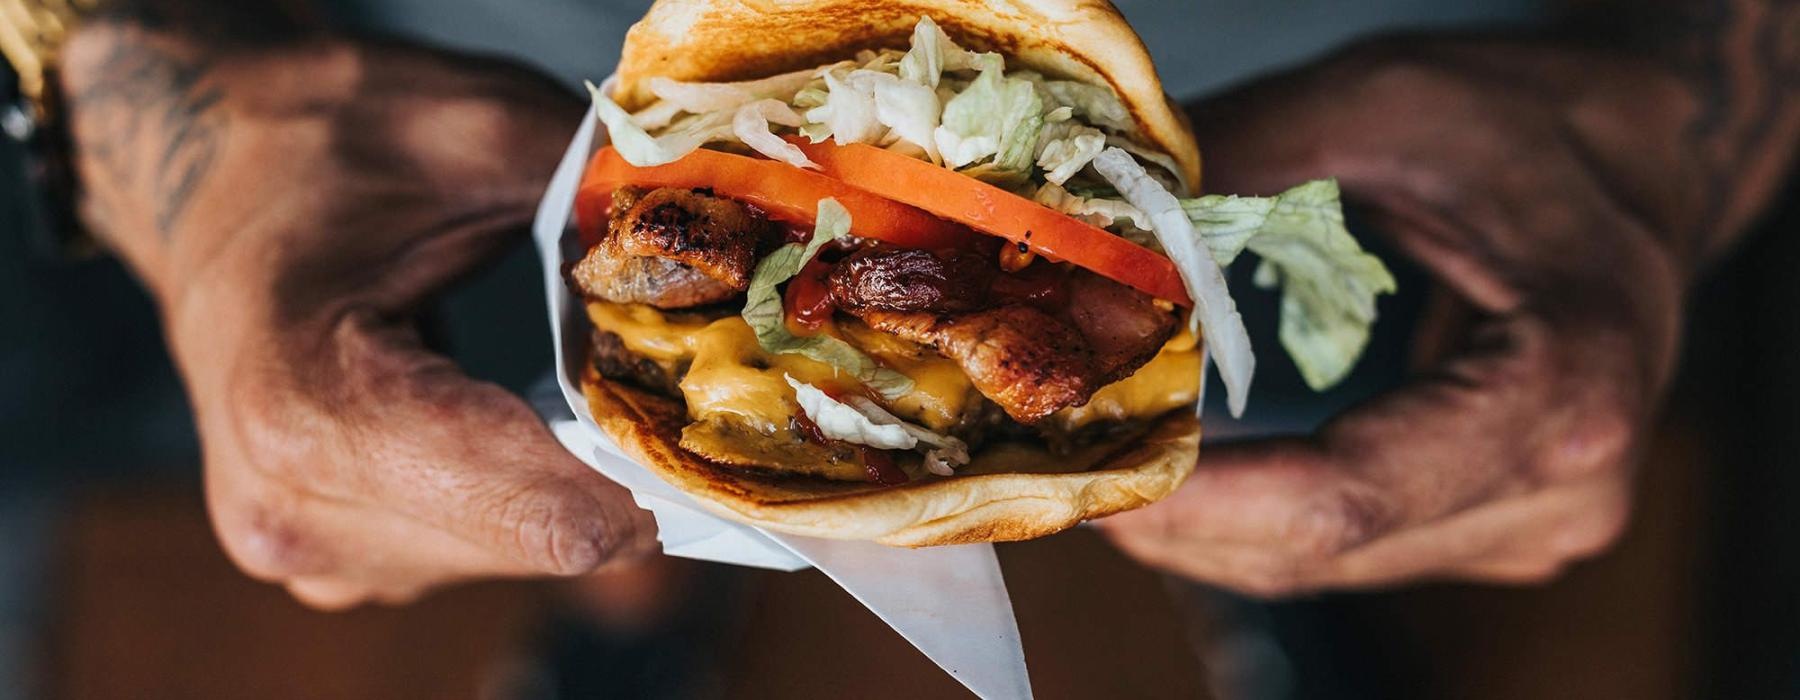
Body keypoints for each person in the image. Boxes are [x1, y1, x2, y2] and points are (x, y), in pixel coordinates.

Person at [26, 0, 1798, 611]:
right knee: (559, 472)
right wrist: (112, 78)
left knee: (1315, 466)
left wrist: (1679, 100)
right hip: (443, 140)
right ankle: (636, 625)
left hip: (1418, 138)